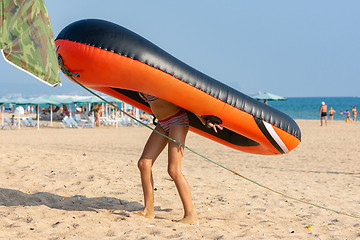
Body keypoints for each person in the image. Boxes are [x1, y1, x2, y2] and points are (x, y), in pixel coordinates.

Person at [136, 93, 222, 224]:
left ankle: (191, 216)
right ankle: (148, 210)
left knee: (174, 170)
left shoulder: (155, 78)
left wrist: (205, 120)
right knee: (144, 164)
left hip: (177, 121)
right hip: (162, 123)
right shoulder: (137, 83)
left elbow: (184, 96)